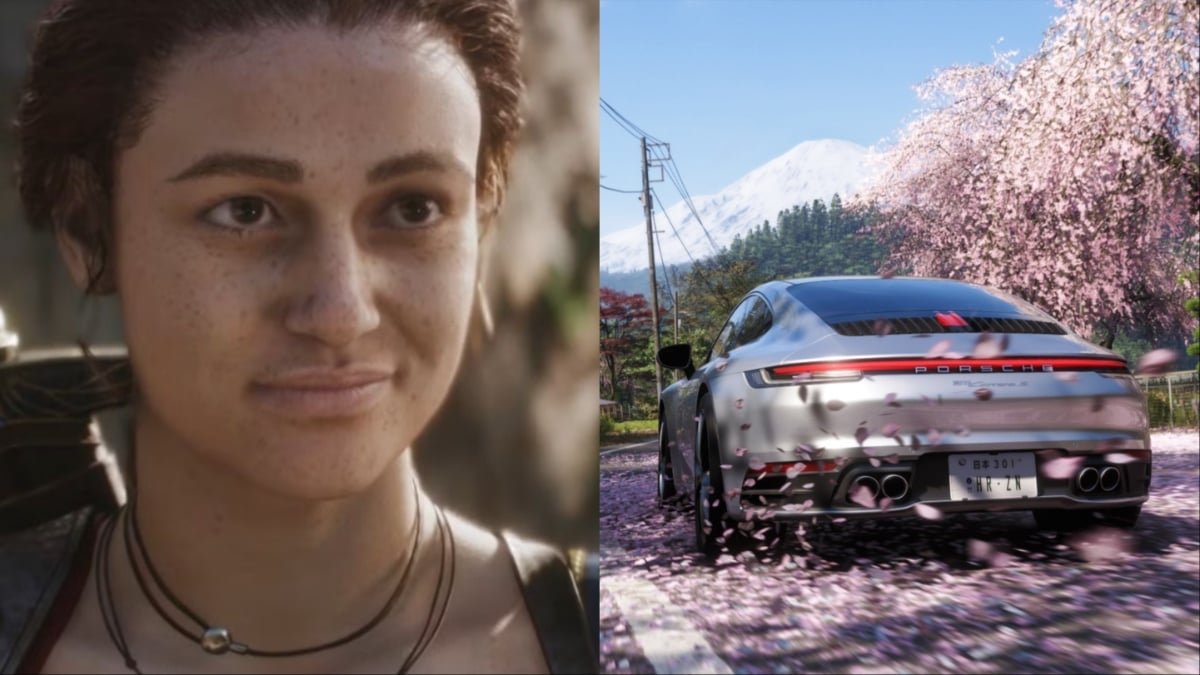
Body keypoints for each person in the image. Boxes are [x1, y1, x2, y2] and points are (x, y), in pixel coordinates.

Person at [0, 0, 596, 673]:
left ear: (481, 228)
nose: (341, 311)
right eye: (245, 211)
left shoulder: (596, 631)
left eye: (414, 208)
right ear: (86, 228)